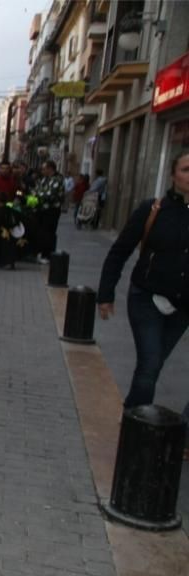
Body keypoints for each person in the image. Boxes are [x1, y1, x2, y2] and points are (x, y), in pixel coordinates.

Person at [98, 150, 189, 427]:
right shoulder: (153, 209)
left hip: (183, 305)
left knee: (156, 363)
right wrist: (106, 294)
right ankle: (135, 427)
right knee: (149, 366)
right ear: (172, 174)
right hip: (146, 298)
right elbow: (120, 250)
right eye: (186, 169)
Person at [33, 160, 65, 264]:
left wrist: (38, 196)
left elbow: (50, 195)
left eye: (44, 168)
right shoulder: (44, 179)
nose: (42, 171)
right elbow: (36, 190)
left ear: (50, 169)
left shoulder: (57, 180)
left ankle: (47, 254)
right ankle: (40, 252)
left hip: (51, 210)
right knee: (41, 231)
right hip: (41, 209)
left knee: (49, 232)